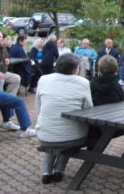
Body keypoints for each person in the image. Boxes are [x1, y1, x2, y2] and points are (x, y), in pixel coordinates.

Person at [35, 53, 93, 184]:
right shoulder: (83, 82)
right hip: (73, 138)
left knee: (52, 134)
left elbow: (38, 106)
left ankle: (46, 172)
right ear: (76, 68)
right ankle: (58, 171)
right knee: (68, 131)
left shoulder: (43, 79)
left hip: (45, 136)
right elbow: (88, 109)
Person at [0, 55, 36, 137]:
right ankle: (25, 130)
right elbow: (2, 71)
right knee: (19, 101)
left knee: (6, 97)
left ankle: (6, 122)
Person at [0, 30, 21, 95]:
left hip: (2, 71)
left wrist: (8, 59)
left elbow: (7, 56)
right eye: (0, 37)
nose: (2, 39)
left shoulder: (2, 47)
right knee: (0, 79)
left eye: (2, 37)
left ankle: (9, 98)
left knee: (16, 78)